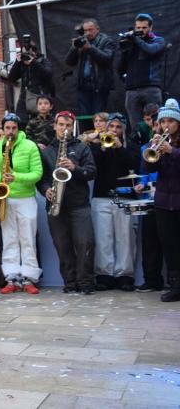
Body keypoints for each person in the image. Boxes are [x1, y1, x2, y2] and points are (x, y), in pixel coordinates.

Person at [38, 111, 97, 294]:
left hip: (79, 205)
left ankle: (85, 282)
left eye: (68, 125)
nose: (65, 129)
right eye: (61, 125)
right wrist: (45, 189)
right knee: (62, 246)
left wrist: (75, 168)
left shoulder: (82, 148)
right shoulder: (47, 151)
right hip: (56, 205)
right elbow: (41, 179)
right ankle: (70, 283)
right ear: (54, 126)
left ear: (73, 127)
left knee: (85, 243)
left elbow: (92, 172)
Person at [0, 114, 43, 294]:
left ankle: (29, 278)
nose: (10, 132)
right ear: (2, 129)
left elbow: (37, 174)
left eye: (13, 128)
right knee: (9, 239)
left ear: (18, 129)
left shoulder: (30, 146)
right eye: (7, 128)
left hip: (26, 197)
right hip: (6, 198)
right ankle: (11, 277)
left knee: (27, 238)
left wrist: (16, 176)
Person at [89, 113, 139, 292]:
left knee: (126, 238)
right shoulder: (97, 147)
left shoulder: (131, 146)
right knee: (103, 238)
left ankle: (125, 275)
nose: (114, 131)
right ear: (107, 128)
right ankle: (104, 275)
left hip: (125, 197)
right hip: (101, 196)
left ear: (123, 129)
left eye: (118, 127)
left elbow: (134, 164)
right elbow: (93, 167)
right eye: (111, 127)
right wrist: (102, 148)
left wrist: (120, 148)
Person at [146, 99, 180, 302]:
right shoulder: (159, 141)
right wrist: (153, 151)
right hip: (163, 203)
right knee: (169, 245)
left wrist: (173, 152)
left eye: (171, 121)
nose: (166, 125)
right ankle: (175, 285)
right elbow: (150, 169)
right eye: (163, 121)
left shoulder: (173, 147)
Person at [119, 14, 167, 133]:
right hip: (131, 90)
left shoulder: (158, 40)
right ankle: (140, 151)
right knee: (136, 128)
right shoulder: (132, 43)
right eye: (138, 28)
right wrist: (124, 50)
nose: (141, 30)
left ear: (151, 27)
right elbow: (120, 68)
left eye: (144, 27)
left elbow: (151, 50)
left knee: (156, 125)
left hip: (151, 88)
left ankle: (158, 150)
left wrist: (136, 39)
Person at [67, 19, 117, 116]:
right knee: (85, 115)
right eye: (85, 30)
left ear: (97, 29)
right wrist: (74, 48)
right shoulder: (81, 40)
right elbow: (69, 62)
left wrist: (90, 48)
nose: (87, 33)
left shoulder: (107, 41)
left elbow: (107, 59)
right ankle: (86, 132)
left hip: (99, 85)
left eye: (90, 30)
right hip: (83, 85)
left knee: (98, 116)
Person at [136, 118, 163, 293]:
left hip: (170, 197)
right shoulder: (146, 148)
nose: (161, 127)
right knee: (150, 241)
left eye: (165, 123)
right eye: (157, 124)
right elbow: (143, 170)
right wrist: (141, 183)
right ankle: (151, 280)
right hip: (151, 198)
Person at [7, 38, 54, 123]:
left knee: (39, 125)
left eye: (28, 54)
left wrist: (33, 63)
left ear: (35, 53)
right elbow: (11, 78)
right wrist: (17, 62)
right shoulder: (22, 64)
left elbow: (48, 75)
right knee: (21, 124)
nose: (26, 56)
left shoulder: (43, 61)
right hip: (24, 100)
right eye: (24, 53)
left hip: (39, 99)